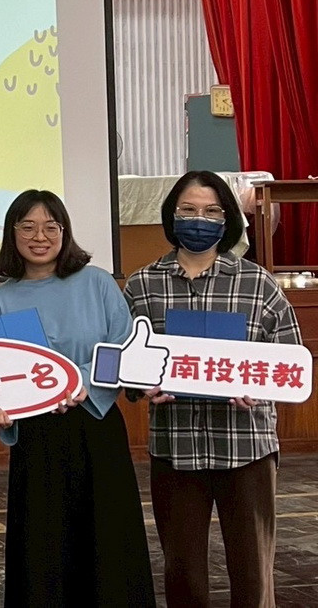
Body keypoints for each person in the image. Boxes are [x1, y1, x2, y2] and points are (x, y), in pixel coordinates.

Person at [125, 170, 302, 607]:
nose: (198, 219)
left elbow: (290, 362)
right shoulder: (143, 285)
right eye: (188, 210)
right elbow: (127, 364)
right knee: (182, 570)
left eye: (211, 211)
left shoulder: (258, 283)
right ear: (171, 216)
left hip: (246, 446)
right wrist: (141, 385)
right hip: (177, 446)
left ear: (227, 220)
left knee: (253, 571)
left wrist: (260, 387)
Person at [0, 190, 154, 607]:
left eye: (50, 226)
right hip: (36, 438)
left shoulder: (97, 282)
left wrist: (84, 385)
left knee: (108, 539)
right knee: (43, 547)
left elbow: (124, 349)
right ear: (12, 234)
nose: (39, 236)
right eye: (27, 227)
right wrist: (1, 412)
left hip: (95, 427)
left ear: (65, 232)